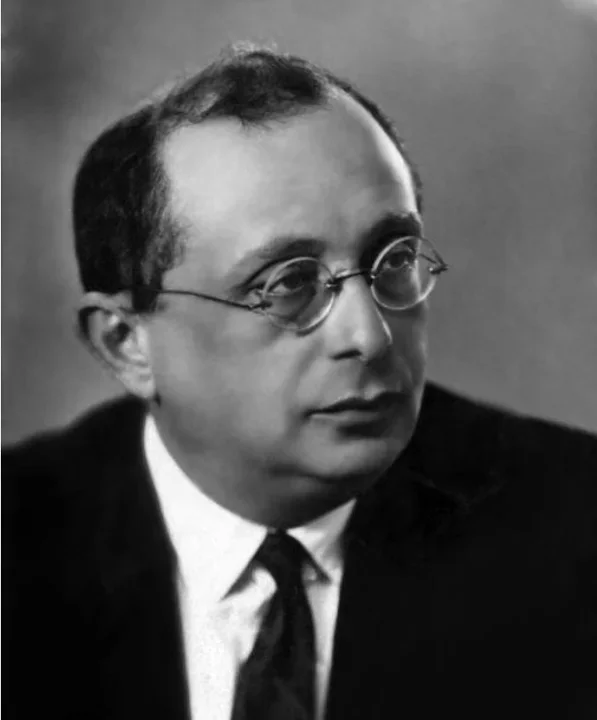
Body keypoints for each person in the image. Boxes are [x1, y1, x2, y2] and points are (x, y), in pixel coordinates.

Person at [3, 45, 596, 720]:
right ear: (127, 342)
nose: (369, 336)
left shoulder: (575, 527)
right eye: (288, 285)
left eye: (393, 259)